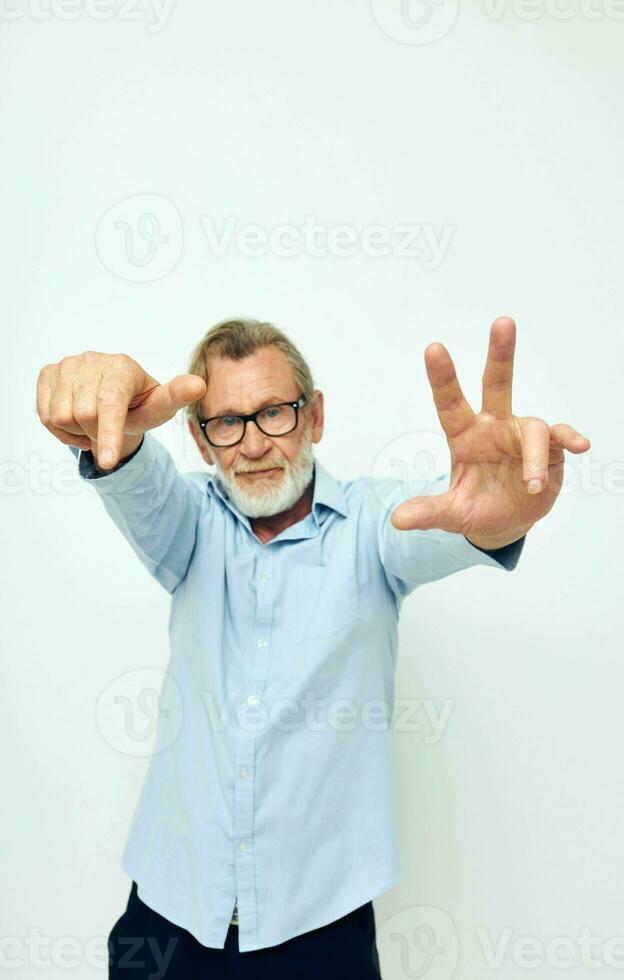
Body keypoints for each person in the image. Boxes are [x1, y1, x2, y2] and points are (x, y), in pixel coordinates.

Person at [36, 315, 590, 978]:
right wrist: (118, 436)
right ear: (199, 438)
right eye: (227, 422)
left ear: (315, 415)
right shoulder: (186, 526)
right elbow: (137, 479)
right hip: (166, 924)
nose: (253, 443)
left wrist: (498, 517)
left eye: (275, 412)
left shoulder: (374, 526)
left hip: (320, 934)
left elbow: (440, 523)